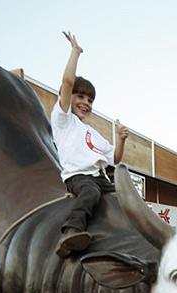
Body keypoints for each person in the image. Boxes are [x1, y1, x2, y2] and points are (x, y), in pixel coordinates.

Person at [53, 32, 129, 257]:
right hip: (78, 177)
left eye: (90, 100)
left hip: (100, 177)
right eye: (81, 97)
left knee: (124, 199)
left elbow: (115, 159)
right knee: (91, 193)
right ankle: (71, 232)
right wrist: (75, 53)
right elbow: (68, 82)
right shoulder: (64, 121)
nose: (86, 102)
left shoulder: (93, 134)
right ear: (68, 98)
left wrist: (121, 140)